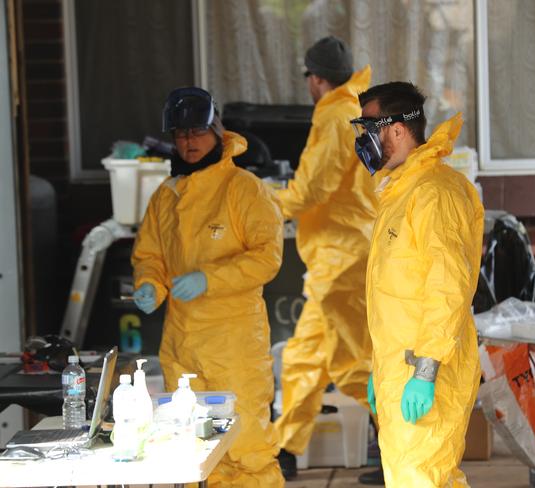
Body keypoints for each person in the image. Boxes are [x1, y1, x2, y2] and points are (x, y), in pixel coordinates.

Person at [131, 86, 285, 487]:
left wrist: (210, 279)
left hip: (234, 345)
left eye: (196, 132)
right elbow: (150, 256)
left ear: (217, 131)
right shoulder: (166, 197)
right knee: (192, 451)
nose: (187, 142)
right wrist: (150, 285)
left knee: (246, 449)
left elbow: (267, 256)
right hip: (182, 344)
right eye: (179, 135)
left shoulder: (243, 189)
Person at [351, 82, 484, 487]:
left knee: (422, 478)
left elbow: (449, 287)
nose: (363, 142)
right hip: (401, 368)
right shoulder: (401, 192)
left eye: (368, 129)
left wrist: (425, 371)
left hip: (427, 370)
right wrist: (381, 367)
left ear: (395, 130)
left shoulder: (435, 193)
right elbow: (397, 294)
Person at [273, 36, 376, 479]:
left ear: (316, 79)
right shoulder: (360, 110)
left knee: (353, 362)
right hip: (346, 252)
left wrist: (268, 206)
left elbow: (314, 185)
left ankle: (401, 450)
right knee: (306, 356)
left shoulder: (336, 115)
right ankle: (286, 450)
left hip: (342, 255)